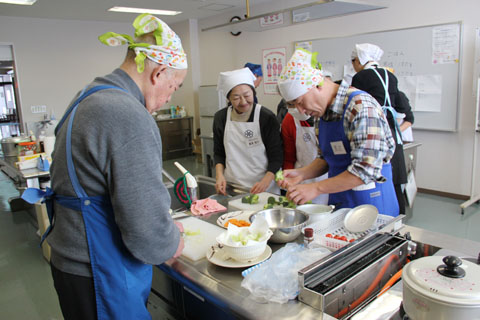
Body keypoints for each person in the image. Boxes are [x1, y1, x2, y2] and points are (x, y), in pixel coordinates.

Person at [23, 14, 187, 320]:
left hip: (71, 260)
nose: (168, 98)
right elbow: (146, 232)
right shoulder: (127, 114)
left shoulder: (89, 96)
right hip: (99, 270)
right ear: (159, 72)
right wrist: (171, 241)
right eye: (174, 87)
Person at [277, 48, 399, 217]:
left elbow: (365, 170)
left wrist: (315, 188)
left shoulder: (360, 107)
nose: (301, 111)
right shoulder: (323, 113)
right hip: (341, 201)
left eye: (300, 102)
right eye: (294, 106)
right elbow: (326, 158)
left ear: (318, 85)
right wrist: (302, 174)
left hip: (371, 203)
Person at [350, 43, 408, 215]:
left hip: (372, 129)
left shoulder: (361, 77)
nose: (353, 65)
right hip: (391, 129)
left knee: (374, 177)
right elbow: (399, 107)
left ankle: (374, 215)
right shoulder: (390, 76)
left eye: (353, 61)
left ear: (360, 60)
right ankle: (399, 217)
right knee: (394, 177)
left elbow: (355, 102)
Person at [214, 67, 283, 195]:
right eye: (236, 98)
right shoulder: (221, 117)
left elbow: (277, 156)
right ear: (228, 98)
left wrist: (265, 182)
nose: (243, 102)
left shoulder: (266, 117)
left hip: (263, 187)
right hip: (233, 186)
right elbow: (219, 153)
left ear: (253, 93)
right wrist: (219, 175)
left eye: (247, 95)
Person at [281, 105, 328, 204]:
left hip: (329, 181)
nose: (299, 109)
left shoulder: (328, 119)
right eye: (290, 104)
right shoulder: (289, 120)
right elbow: (289, 157)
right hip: (301, 181)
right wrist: (289, 181)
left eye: (299, 102)